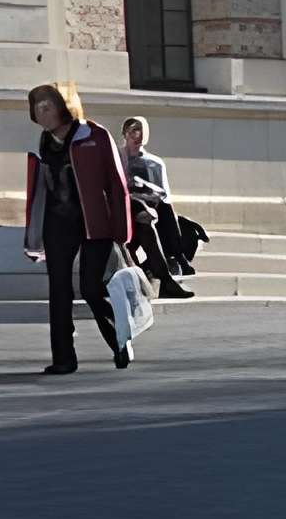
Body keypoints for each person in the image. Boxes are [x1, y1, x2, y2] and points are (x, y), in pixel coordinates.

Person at [21, 80, 135, 374]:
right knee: (59, 290)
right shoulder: (44, 143)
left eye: (47, 106)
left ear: (63, 107)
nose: (42, 113)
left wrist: (122, 232)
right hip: (58, 224)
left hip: (94, 223)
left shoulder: (94, 135)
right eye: (37, 108)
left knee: (92, 289)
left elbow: (116, 183)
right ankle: (63, 358)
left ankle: (120, 341)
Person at [119, 116, 196, 299]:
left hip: (150, 212)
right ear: (124, 133)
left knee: (163, 209)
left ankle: (176, 259)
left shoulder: (154, 162)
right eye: (132, 130)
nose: (137, 135)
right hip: (126, 211)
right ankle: (173, 266)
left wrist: (143, 188)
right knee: (145, 217)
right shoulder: (117, 158)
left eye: (141, 130)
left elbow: (163, 194)